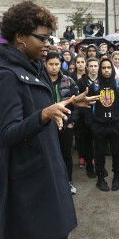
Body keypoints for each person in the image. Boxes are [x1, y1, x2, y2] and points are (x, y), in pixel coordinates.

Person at [0, 1, 101, 239]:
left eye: (50, 38)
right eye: (42, 38)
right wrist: (43, 115)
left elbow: (38, 109)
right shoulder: (7, 76)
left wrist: (66, 103)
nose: (48, 44)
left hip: (36, 166)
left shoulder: (28, 66)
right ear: (20, 37)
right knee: (50, 235)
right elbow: (6, 132)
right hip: (28, 173)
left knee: (17, 238)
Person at [88, 58, 119, 191]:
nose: (106, 70)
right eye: (103, 68)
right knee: (99, 154)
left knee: (116, 153)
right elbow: (88, 107)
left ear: (112, 69)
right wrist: (92, 125)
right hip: (99, 126)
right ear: (100, 69)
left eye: (108, 68)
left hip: (116, 125)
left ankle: (116, 177)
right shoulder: (94, 86)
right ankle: (100, 179)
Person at [45, 52, 80, 195]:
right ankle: (51, 183)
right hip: (47, 124)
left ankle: (68, 181)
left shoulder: (68, 81)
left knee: (66, 154)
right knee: (49, 154)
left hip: (65, 124)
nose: (54, 67)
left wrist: (71, 121)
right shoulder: (41, 81)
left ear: (61, 65)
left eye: (56, 64)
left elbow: (77, 104)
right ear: (45, 64)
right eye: (51, 64)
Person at [77, 58, 100, 176]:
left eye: (95, 66)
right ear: (87, 67)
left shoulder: (102, 81)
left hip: (100, 117)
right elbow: (79, 101)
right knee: (87, 143)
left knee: (99, 143)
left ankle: (99, 167)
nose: (93, 68)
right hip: (86, 117)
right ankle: (89, 167)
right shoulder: (81, 82)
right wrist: (87, 117)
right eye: (91, 66)